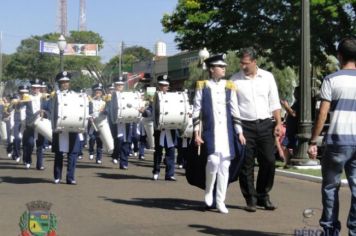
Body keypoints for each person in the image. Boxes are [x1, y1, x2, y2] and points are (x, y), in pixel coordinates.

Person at [307, 36, 356, 236]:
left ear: (339, 56)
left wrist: (313, 140)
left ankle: (330, 230)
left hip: (336, 141)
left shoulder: (331, 79)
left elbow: (322, 113)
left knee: (330, 187)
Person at [231, 47, 282, 212]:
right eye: (241, 63)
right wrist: (238, 130)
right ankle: (250, 199)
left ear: (254, 62)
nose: (243, 66)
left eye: (246, 63)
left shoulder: (267, 77)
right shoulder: (234, 80)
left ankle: (263, 194)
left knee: (269, 161)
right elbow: (233, 108)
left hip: (265, 124)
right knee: (246, 165)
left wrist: (279, 123)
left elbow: (274, 102)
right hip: (245, 126)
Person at [193, 54, 245, 214]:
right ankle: (209, 190)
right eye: (220, 67)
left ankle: (221, 200)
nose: (224, 69)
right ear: (211, 69)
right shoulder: (202, 85)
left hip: (226, 131)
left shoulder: (229, 86)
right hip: (210, 130)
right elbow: (196, 110)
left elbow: (235, 110)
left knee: (225, 166)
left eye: (224, 67)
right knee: (213, 161)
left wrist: (240, 132)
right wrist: (196, 133)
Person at [52, 71, 82, 185]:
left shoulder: (76, 95)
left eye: (67, 82)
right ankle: (57, 176)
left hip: (73, 126)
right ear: (59, 83)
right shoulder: (54, 96)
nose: (65, 84)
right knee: (59, 154)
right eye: (62, 82)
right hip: (59, 128)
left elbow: (83, 107)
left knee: (73, 154)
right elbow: (49, 108)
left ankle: (70, 177)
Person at [152, 75, 178, 181]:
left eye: (166, 85)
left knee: (170, 151)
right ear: (159, 86)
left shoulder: (174, 98)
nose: (164, 87)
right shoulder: (155, 97)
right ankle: (156, 171)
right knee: (158, 152)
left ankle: (170, 174)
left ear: (168, 86)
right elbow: (150, 110)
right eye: (162, 85)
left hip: (171, 129)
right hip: (159, 129)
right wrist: (144, 112)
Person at [22, 79, 49, 170]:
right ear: (31, 88)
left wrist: (44, 113)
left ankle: (39, 164)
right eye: (34, 88)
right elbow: (20, 107)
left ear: (40, 88)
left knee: (40, 144)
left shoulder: (44, 97)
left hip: (41, 123)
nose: (36, 89)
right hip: (30, 123)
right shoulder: (27, 97)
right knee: (29, 143)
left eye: (38, 88)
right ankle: (28, 160)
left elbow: (49, 109)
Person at [280, 86, 300, 167]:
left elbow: (294, 114)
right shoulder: (296, 102)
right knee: (284, 146)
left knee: (290, 147)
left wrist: (286, 106)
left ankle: (290, 162)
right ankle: (287, 162)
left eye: (296, 92)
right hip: (290, 130)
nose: (294, 93)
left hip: (294, 130)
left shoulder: (299, 103)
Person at [88, 83, 106, 164]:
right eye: (96, 91)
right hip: (92, 123)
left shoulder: (104, 102)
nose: (98, 93)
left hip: (101, 123)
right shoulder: (90, 101)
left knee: (100, 141)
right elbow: (88, 111)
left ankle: (99, 158)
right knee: (92, 138)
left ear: (102, 93)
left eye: (99, 91)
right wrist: (90, 117)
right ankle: (91, 151)